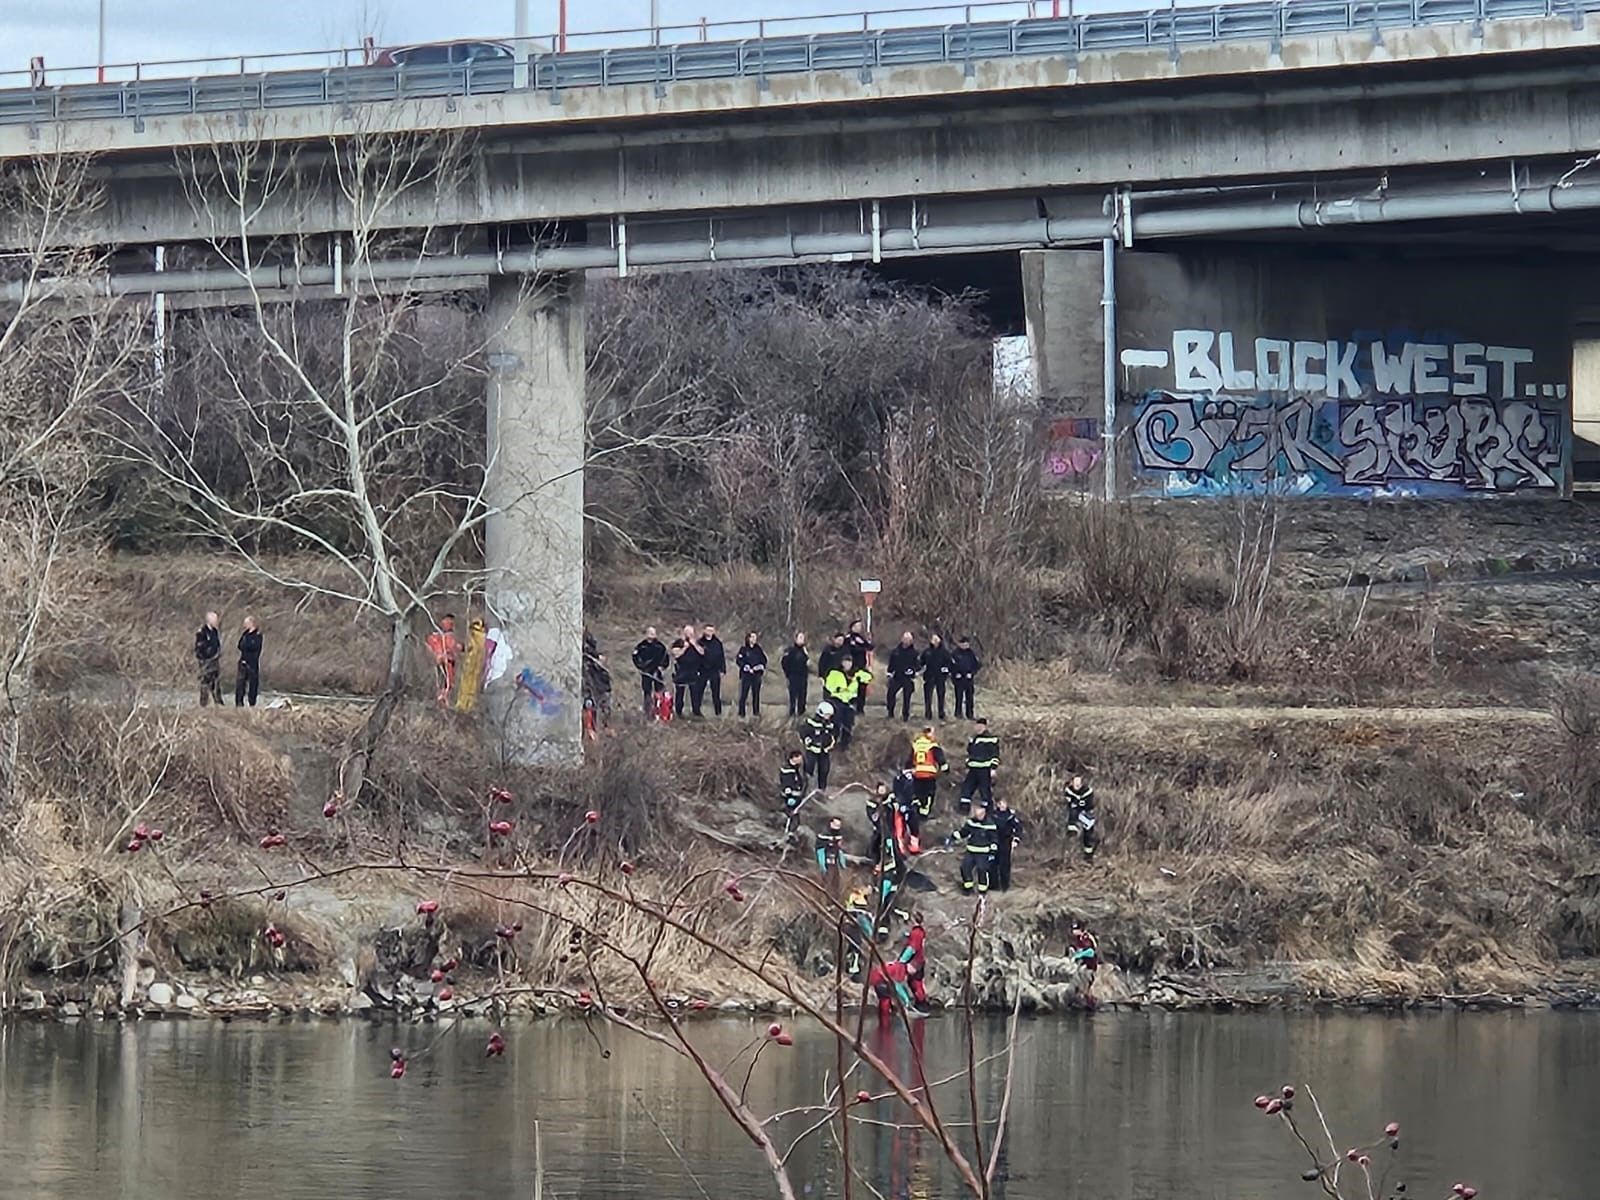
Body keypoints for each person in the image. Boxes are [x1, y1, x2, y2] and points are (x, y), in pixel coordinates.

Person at [952, 801, 998, 896]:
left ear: (985, 812)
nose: (978, 813)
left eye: (980, 811)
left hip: (983, 852)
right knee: (965, 868)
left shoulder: (990, 824)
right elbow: (964, 832)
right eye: (977, 811)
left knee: (982, 870)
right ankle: (968, 888)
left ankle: (983, 891)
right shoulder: (971, 822)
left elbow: (994, 839)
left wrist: (993, 852)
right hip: (971, 851)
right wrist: (954, 836)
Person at [907, 726, 947, 827]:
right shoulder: (932, 745)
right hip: (928, 775)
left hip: (917, 774)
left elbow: (910, 759)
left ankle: (915, 812)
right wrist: (945, 769)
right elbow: (940, 758)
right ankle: (923, 815)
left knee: (917, 794)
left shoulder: (916, 744)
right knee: (929, 796)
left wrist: (908, 770)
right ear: (929, 733)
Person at [959, 717, 1000, 811]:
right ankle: (964, 809)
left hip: (985, 769)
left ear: (985, 727)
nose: (977, 728)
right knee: (967, 789)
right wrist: (967, 766)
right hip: (973, 769)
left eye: (980, 726)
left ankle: (987, 811)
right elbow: (969, 754)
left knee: (985, 791)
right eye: (976, 726)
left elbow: (995, 754)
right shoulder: (973, 739)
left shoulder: (991, 739)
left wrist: (993, 769)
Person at [822, 655, 861, 749]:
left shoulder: (855, 674)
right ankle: (832, 742)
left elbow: (868, 677)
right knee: (836, 722)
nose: (848, 664)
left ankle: (845, 744)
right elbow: (828, 685)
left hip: (849, 701)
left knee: (848, 724)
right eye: (846, 662)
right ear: (842, 662)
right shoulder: (835, 673)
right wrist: (838, 689)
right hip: (837, 700)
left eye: (850, 662)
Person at [632, 626, 671, 718]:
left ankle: (660, 710)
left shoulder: (660, 646)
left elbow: (666, 658)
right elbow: (635, 657)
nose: (651, 636)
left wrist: (662, 667)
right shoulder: (641, 646)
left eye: (653, 634)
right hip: (646, 672)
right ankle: (647, 711)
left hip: (657, 672)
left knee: (659, 691)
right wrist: (641, 667)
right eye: (649, 633)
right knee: (647, 692)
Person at [671, 624, 706, 718]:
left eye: (691, 633)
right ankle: (679, 711)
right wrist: (684, 647)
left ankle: (696, 711)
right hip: (681, 671)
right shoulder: (678, 642)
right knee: (680, 693)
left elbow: (702, 652)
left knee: (695, 692)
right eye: (687, 633)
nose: (689, 634)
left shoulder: (698, 643)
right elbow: (676, 654)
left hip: (694, 671)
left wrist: (693, 644)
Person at [801, 702, 838, 790]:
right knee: (809, 769)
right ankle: (807, 789)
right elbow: (803, 733)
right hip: (812, 750)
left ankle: (822, 789)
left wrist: (831, 743)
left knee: (824, 770)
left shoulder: (830, 724)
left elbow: (833, 735)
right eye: (827, 715)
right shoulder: (811, 723)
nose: (828, 717)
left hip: (824, 751)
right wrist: (808, 742)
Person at [427, 613, 463, 705]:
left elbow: (455, 647)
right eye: (448, 622)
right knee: (445, 684)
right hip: (444, 663)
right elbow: (434, 646)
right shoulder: (440, 636)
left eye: (451, 622)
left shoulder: (448, 635)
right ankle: (442, 702)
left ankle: (443, 701)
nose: (450, 624)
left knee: (447, 684)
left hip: (448, 663)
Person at [884, 631, 920, 722]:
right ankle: (890, 712)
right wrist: (889, 673)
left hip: (908, 678)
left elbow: (917, 665)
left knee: (907, 697)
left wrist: (913, 671)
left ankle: (905, 715)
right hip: (897, 676)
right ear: (902, 639)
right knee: (890, 694)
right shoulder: (895, 651)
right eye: (905, 639)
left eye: (909, 639)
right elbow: (891, 664)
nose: (907, 641)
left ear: (911, 641)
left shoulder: (914, 653)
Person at [898, 912, 930, 1010]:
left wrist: (902, 960)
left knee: (915, 983)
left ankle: (921, 1003)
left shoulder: (916, 933)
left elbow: (913, 948)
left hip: (915, 962)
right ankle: (920, 1002)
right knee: (914, 981)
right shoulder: (921, 932)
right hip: (919, 960)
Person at [1064, 774, 1099, 862]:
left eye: (1079, 782)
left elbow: (1089, 805)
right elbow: (1069, 802)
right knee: (1073, 810)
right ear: (1072, 782)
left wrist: (1080, 804)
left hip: (1087, 813)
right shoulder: (1069, 790)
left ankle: (1088, 856)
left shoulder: (1088, 791)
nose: (1077, 784)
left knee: (1088, 835)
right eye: (1075, 782)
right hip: (1075, 813)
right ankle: (1072, 830)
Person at [991, 797, 1023, 891]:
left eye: (1004, 803)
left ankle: (1005, 885)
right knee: (993, 863)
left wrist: (1016, 839)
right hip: (994, 841)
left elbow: (1018, 828)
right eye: (1000, 803)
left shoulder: (1011, 816)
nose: (1002, 805)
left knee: (1005, 864)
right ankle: (994, 885)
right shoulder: (993, 815)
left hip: (1006, 841)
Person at [844, 618, 875, 714]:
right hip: (852, 668)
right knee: (852, 690)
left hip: (862, 667)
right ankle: (850, 707)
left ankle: (860, 709)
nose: (859, 628)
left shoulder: (861, 638)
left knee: (862, 689)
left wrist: (864, 643)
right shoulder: (848, 638)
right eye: (857, 626)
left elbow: (870, 647)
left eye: (860, 626)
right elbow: (848, 651)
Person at [920, 633, 953, 720]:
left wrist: (946, 669)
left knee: (941, 695)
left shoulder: (944, 652)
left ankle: (941, 713)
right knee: (928, 696)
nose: (935, 641)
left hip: (940, 677)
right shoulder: (927, 652)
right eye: (933, 639)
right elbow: (920, 663)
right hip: (929, 676)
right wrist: (919, 669)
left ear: (940, 640)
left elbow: (950, 663)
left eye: (936, 639)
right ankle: (928, 713)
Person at [194, 611, 223, 707]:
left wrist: (218, 653)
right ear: (209, 620)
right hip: (205, 662)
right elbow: (198, 649)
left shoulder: (215, 632)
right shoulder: (202, 632)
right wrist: (204, 659)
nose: (216, 621)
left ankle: (218, 702)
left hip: (214, 661)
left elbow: (217, 644)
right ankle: (204, 704)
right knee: (205, 683)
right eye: (215, 619)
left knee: (216, 682)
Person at [736, 631, 767, 717]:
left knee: (756, 694)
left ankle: (756, 712)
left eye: (755, 637)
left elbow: (764, 660)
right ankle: (741, 713)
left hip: (756, 675)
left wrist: (759, 667)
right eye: (752, 637)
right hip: (746, 675)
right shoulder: (743, 649)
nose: (754, 639)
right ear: (748, 638)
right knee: (744, 694)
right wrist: (746, 667)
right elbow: (739, 660)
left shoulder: (758, 649)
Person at [699, 624, 728, 716]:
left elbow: (721, 656)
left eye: (711, 631)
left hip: (714, 670)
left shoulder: (717, 643)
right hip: (703, 670)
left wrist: (723, 669)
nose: (709, 632)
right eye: (708, 630)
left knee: (716, 693)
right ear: (704, 631)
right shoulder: (700, 642)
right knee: (699, 691)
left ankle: (718, 712)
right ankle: (697, 710)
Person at [950, 636, 981, 721]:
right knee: (959, 697)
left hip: (968, 678)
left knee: (970, 697)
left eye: (967, 644)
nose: (965, 645)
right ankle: (958, 713)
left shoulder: (971, 653)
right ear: (960, 644)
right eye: (963, 644)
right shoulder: (955, 653)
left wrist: (972, 673)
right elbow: (951, 665)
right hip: (959, 679)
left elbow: (977, 665)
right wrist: (955, 674)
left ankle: (970, 714)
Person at [234, 616, 263, 708]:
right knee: (240, 684)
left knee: (253, 684)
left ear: (252, 623)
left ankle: (252, 703)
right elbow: (239, 645)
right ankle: (239, 703)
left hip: (252, 663)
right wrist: (246, 645)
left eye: (246, 623)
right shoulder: (245, 634)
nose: (244, 625)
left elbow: (254, 647)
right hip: (242, 661)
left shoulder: (258, 635)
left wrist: (246, 645)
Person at [1069, 919, 1101, 1001]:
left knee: (1087, 984)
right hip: (1084, 964)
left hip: (1091, 965)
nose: (1074, 932)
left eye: (1076, 930)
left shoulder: (1086, 937)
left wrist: (1078, 955)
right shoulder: (1078, 938)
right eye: (1073, 930)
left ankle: (1090, 999)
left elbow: (1091, 952)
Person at [781, 632, 811, 716]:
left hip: (803, 677)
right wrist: (788, 674)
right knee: (793, 696)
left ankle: (801, 713)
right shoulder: (790, 650)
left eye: (803, 638)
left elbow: (808, 663)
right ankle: (792, 713)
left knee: (802, 695)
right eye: (800, 638)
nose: (802, 640)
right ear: (796, 639)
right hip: (793, 676)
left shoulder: (804, 651)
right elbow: (784, 663)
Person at [779, 749, 806, 838]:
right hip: (791, 798)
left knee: (796, 815)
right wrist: (790, 796)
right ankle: (788, 833)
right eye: (799, 758)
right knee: (791, 815)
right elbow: (787, 784)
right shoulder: (787, 770)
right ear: (794, 758)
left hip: (797, 797)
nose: (801, 760)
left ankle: (793, 832)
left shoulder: (796, 769)